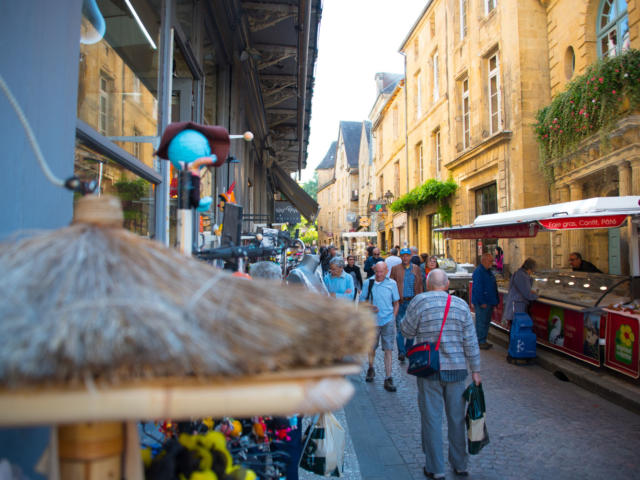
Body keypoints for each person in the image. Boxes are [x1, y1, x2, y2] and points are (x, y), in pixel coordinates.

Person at [401, 269, 482, 479]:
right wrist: (476, 370)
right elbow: (470, 341)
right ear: (446, 285)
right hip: (456, 370)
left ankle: (436, 468)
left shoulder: (419, 302)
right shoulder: (461, 305)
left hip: (430, 370)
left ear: (428, 284)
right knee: (456, 419)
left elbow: (406, 332)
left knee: (431, 419)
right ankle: (460, 464)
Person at [360, 261, 400, 392]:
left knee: (388, 349)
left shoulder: (392, 284)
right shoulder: (369, 283)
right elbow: (361, 301)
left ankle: (388, 377)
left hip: (387, 320)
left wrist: (393, 317)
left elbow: (396, 303)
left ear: (386, 270)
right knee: (372, 347)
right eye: (377, 271)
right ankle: (371, 368)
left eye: (381, 272)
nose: (379, 274)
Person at [390, 247, 424, 362]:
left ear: (410, 256)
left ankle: (408, 349)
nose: (405, 258)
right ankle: (401, 352)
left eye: (407, 255)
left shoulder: (416, 269)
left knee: (412, 328)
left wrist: (420, 300)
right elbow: (391, 285)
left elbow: (420, 285)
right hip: (400, 302)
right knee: (400, 328)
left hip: (413, 302)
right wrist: (393, 300)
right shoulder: (395, 269)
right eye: (403, 256)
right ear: (400, 257)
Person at [471, 252, 499, 350]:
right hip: (483, 302)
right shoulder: (479, 272)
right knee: (481, 322)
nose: (492, 262)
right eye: (490, 260)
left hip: (489, 301)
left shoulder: (488, 271)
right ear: (484, 261)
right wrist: (481, 301)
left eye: (492, 260)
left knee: (486, 322)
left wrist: (495, 301)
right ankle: (480, 341)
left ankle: (483, 340)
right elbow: (478, 288)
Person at [502, 258, 538, 326]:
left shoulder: (517, 273)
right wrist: (537, 295)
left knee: (514, 328)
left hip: (514, 307)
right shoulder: (522, 276)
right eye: (532, 270)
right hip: (518, 307)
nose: (532, 272)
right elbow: (528, 294)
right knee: (518, 329)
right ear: (530, 269)